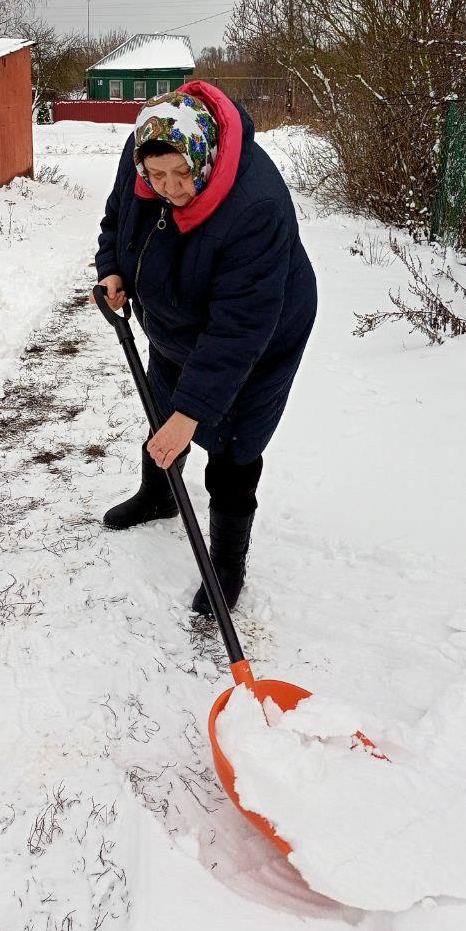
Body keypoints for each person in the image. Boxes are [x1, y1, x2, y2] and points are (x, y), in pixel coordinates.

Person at [95, 81, 317, 614]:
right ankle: (161, 494)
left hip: (260, 334)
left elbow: (240, 328)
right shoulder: (145, 152)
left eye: (183, 174)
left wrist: (193, 412)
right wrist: (113, 269)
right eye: (157, 176)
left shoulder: (254, 206)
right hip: (176, 311)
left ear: (206, 154)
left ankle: (226, 565)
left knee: (234, 441)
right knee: (162, 403)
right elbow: (117, 218)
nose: (170, 187)